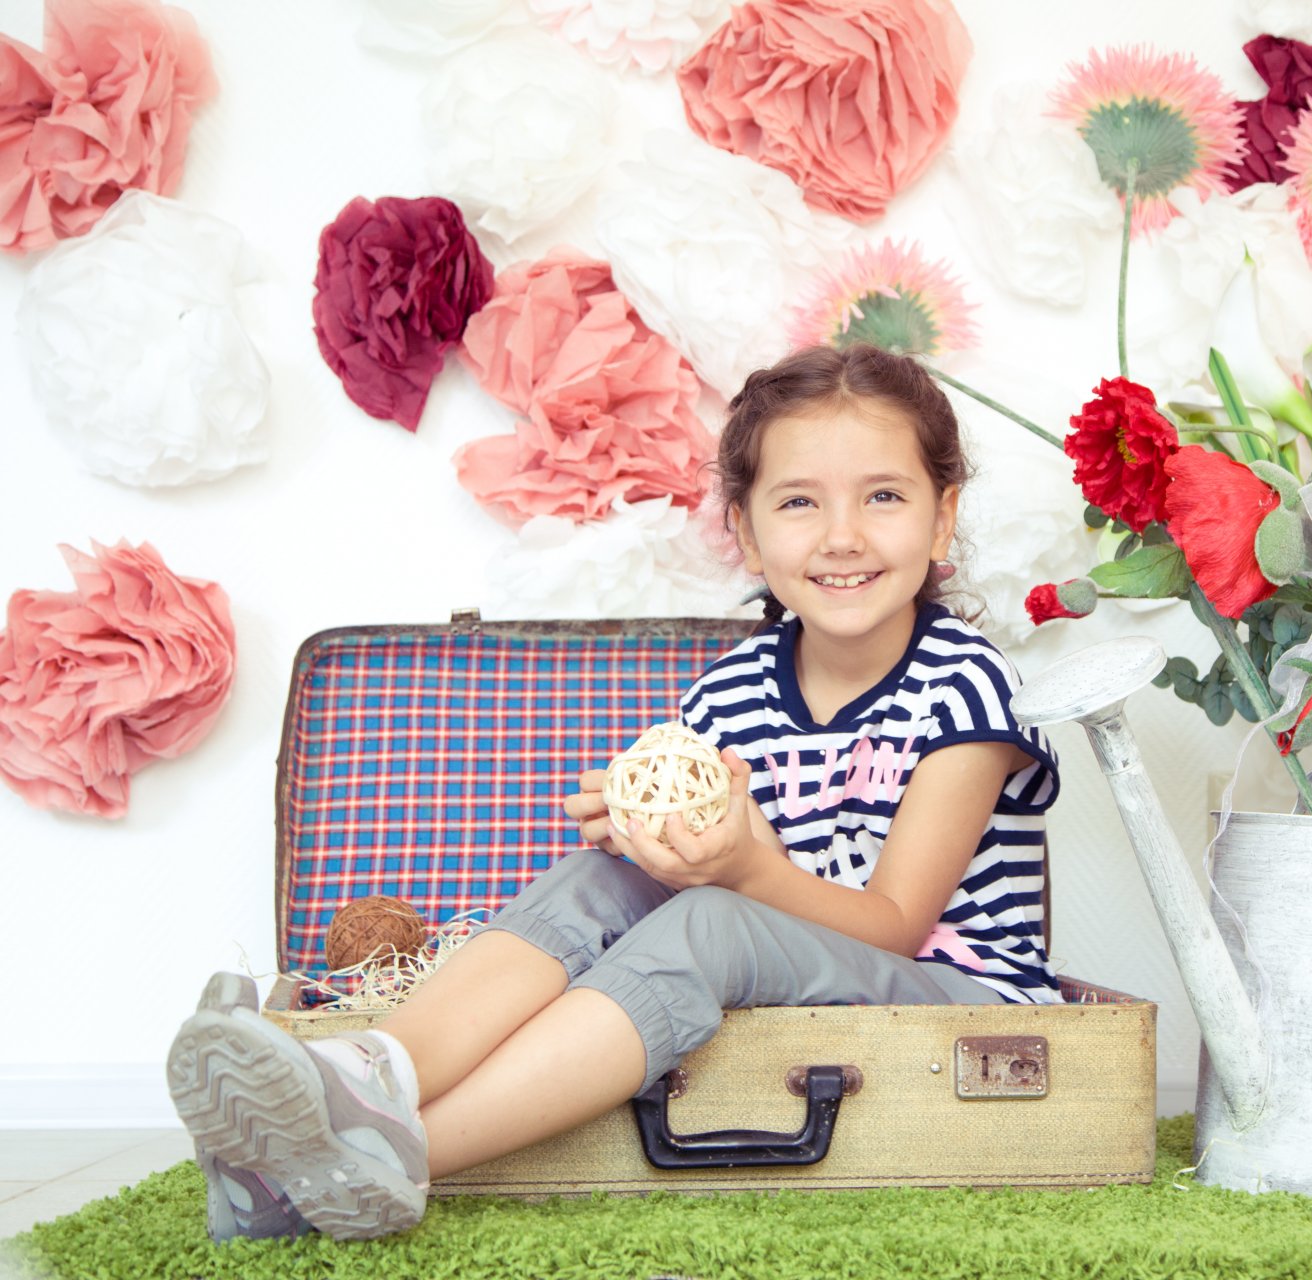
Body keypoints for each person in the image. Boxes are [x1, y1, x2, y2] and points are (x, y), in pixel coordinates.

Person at [165, 343, 1062, 1243]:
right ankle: (379, 1066)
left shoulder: (964, 684)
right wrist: (648, 840)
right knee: (612, 879)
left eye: (884, 496)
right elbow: (732, 884)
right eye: (798, 501)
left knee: (708, 921)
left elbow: (895, 924)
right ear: (747, 533)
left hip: (951, 998)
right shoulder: (731, 691)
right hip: (804, 972)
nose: (842, 535)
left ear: (943, 519)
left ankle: (396, 1153)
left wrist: (741, 866)